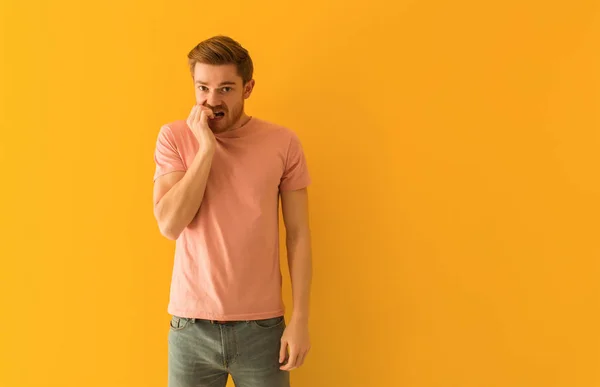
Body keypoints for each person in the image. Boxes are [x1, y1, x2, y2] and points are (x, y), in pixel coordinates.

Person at [152, 35, 313, 387]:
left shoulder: (283, 143)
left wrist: (300, 319)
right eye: (203, 88)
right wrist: (206, 150)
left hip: (263, 330)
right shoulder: (174, 138)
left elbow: (298, 234)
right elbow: (169, 224)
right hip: (190, 329)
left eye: (225, 89)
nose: (212, 101)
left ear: (248, 87)